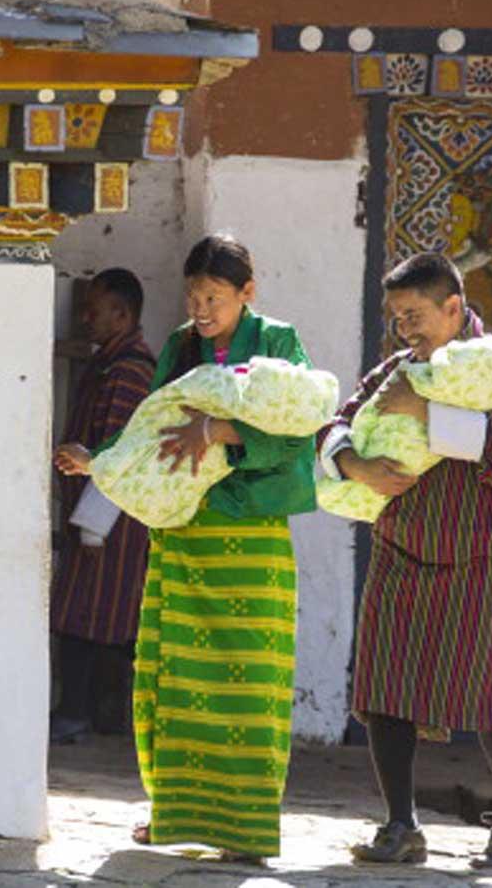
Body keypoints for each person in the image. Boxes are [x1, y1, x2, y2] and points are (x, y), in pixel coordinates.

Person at [55, 234, 316, 863]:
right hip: (181, 533)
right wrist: (100, 461)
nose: (202, 309)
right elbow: (149, 425)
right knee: (170, 677)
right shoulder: (179, 345)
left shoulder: (279, 344)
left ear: (247, 293)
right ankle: (173, 814)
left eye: (216, 298)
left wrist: (219, 428)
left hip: (250, 537)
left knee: (248, 683)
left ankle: (245, 827)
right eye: (195, 296)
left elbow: (297, 430)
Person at [317, 252, 492, 869]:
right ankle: (400, 825)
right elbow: (339, 423)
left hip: (480, 550)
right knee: (384, 688)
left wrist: (426, 413)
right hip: (401, 547)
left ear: (454, 307)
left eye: (417, 316)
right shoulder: (398, 371)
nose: (407, 330)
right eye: (398, 318)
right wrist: (355, 465)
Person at [51, 268, 157, 745]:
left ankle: (83, 715)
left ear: (123, 314)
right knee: (95, 613)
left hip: (110, 517)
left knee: (88, 614)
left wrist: (94, 525)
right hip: (93, 513)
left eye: (95, 309)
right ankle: (100, 715)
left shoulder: (131, 371)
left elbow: (118, 451)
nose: (85, 318)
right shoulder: (107, 364)